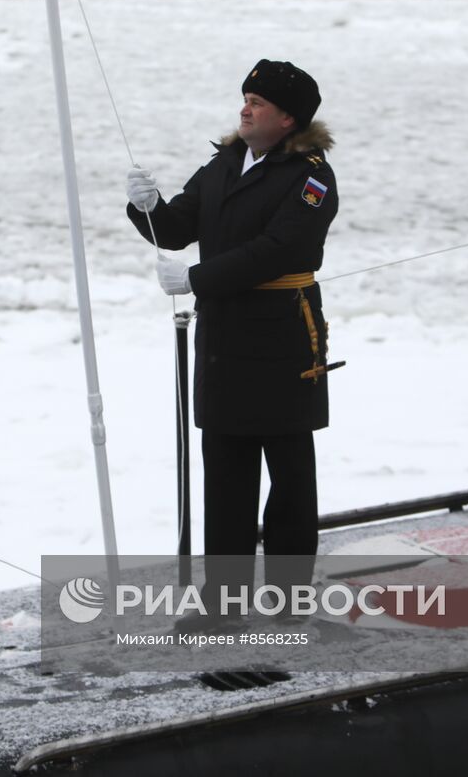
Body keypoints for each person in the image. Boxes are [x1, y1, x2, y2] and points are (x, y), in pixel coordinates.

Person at [124, 60, 336, 607]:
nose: (245, 108)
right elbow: (175, 230)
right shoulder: (223, 165)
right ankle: (224, 601)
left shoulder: (310, 176)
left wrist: (197, 278)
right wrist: (146, 208)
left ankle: (289, 600)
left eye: (258, 102)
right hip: (223, 340)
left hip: (283, 338)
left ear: (288, 119)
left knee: (289, 479)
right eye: (245, 97)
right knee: (225, 479)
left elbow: (278, 250)